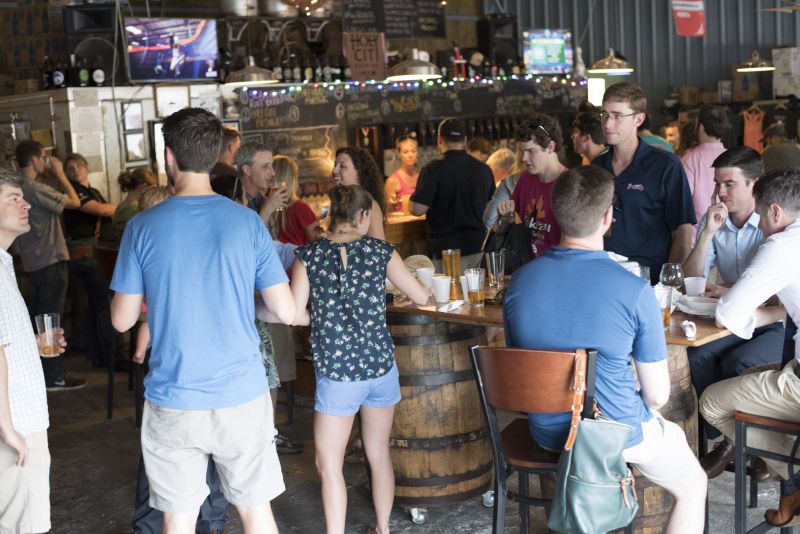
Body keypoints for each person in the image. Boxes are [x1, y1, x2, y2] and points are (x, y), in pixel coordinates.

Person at [110, 108, 295, 534]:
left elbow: (122, 321)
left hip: (174, 397)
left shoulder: (142, 227)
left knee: (178, 519)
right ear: (215, 157)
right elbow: (284, 311)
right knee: (255, 512)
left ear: (168, 156)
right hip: (243, 395)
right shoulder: (247, 222)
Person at [504, 165, 707, 533]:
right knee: (694, 485)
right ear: (608, 217)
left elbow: (522, 371)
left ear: (554, 211)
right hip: (615, 434)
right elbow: (658, 396)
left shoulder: (519, 284)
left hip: (547, 432)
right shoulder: (633, 290)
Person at [289, 184, 428, 534]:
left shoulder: (308, 256)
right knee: (378, 454)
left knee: (329, 464)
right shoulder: (382, 252)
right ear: (364, 216)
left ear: (330, 215)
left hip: (339, 377)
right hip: (380, 369)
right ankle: (383, 529)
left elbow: (294, 313)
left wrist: (320, 315)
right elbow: (422, 296)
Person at [699, 167, 800, 527]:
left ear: (775, 211)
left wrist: (739, 306)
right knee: (753, 376)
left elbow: (728, 313)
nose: (758, 224)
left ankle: (794, 477)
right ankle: (792, 481)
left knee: (711, 400)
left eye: (760, 213)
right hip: (793, 367)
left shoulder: (781, 245)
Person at [129, 185, 230, 534]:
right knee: (205, 447)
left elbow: (134, 320)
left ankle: (152, 524)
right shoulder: (186, 247)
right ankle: (210, 521)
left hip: (168, 373)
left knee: (163, 454)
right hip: (196, 368)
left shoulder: (143, 241)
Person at [682, 148, 784, 479]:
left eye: (728, 184)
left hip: (776, 323)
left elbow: (777, 295)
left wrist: (731, 290)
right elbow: (691, 280)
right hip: (734, 321)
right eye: (716, 184)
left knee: (737, 363)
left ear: (754, 185)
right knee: (695, 357)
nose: (719, 193)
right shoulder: (715, 222)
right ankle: (730, 440)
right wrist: (708, 233)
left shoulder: (775, 221)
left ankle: (738, 446)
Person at [0, 168, 67, 534]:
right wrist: (7, 425)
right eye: (13, 198)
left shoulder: (5, 262)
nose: (26, 204)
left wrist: (34, 346)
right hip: (15, 425)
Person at [593, 82, 696, 284]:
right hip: (602, 278)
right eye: (604, 114)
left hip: (649, 281)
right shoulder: (596, 167)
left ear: (638, 119)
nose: (607, 124)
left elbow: (682, 234)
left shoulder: (666, 166)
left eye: (617, 116)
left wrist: (668, 288)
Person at [12, 140, 86, 391]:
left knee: (38, 320)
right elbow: (75, 202)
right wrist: (60, 174)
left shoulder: (17, 187)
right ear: (35, 160)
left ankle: (41, 373)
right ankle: (53, 376)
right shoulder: (34, 187)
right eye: (44, 157)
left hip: (31, 263)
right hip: (50, 261)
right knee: (50, 322)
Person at [409, 118, 495, 270]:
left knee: (449, 293)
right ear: (465, 140)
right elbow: (491, 209)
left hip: (447, 250)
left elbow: (417, 210)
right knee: (475, 292)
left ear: (439, 139)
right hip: (478, 247)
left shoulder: (432, 169)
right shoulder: (483, 169)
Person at [63, 153, 118, 369]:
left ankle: (98, 355)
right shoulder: (74, 192)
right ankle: (110, 356)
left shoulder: (91, 191)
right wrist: (123, 206)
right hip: (86, 255)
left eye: (79, 166)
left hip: (93, 253)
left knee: (95, 306)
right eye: (70, 168)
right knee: (103, 304)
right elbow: (102, 210)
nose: (76, 170)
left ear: (86, 167)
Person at [496, 113, 568, 258]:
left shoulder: (570, 183)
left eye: (530, 151)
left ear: (550, 147)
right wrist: (508, 217)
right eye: (522, 151)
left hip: (557, 267)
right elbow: (516, 222)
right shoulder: (525, 179)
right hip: (527, 265)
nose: (524, 158)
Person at [680, 105, 729, 236]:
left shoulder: (689, 159)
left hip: (697, 237)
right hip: (727, 235)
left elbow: (683, 202)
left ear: (700, 127)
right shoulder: (732, 157)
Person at [332, 147, 386, 240]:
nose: (334, 170)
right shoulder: (339, 203)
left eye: (342, 166)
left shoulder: (370, 205)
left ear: (360, 172)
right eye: (335, 165)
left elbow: (380, 250)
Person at [236, 141, 289, 230]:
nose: (273, 173)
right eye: (265, 167)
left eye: (271, 166)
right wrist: (268, 209)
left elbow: (272, 241)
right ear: (247, 170)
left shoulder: (265, 200)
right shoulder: (234, 203)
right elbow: (249, 240)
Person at [272, 155, 320, 246]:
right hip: (296, 258)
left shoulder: (267, 207)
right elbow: (318, 242)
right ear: (291, 180)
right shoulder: (299, 207)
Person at [113, 167, 158, 239]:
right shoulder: (137, 212)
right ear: (143, 187)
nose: (152, 194)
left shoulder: (119, 208)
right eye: (152, 190)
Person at [482, 149, 521, 229]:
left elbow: (488, 220)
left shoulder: (504, 188)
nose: (488, 177)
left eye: (491, 173)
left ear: (503, 172)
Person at [384, 133, 419, 214]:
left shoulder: (422, 177)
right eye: (405, 152)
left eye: (413, 151)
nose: (410, 155)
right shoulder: (392, 181)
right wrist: (391, 204)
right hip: (402, 225)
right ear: (399, 154)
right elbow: (386, 211)